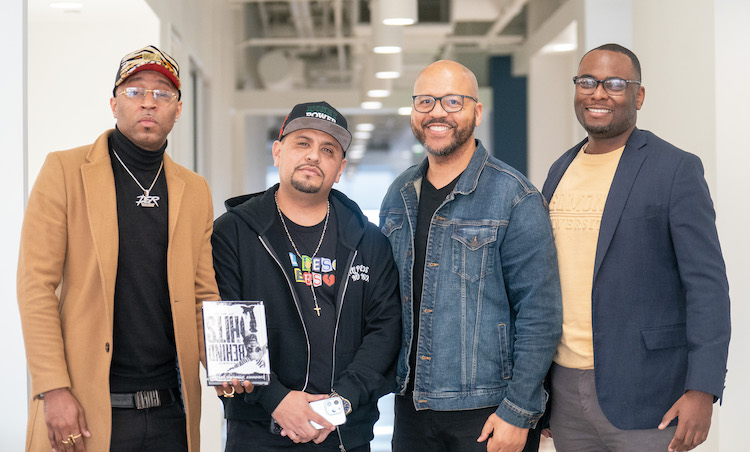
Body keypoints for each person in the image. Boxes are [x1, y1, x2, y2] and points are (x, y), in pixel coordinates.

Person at [16, 45, 247, 452]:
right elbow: (36, 287)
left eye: (162, 94)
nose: (148, 103)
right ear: (113, 103)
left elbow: (202, 295)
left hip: (169, 410)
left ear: (177, 110)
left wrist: (228, 364)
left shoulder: (193, 190)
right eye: (135, 91)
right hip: (89, 407)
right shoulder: (65, 172)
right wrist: (53, 389)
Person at [542, 43, 731, 452]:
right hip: (565, 391)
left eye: (614, 84)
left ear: (638, 95)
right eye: (587, 82)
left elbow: (707, 287)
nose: (598, 93)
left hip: (649, 391)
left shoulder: (675, 169)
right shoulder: (560, 170)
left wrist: (703, 388)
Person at [379, 60, 562, 452]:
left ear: (477, 112)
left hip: (487, 412)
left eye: (452, 101)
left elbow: (540, 314)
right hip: (412, 408)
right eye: (425, 101)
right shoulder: (399, 194)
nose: (437, 112)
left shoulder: (515, 197)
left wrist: (518, 410)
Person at [211, 101, 401, 451]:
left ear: (340, 168)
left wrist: (338, 403)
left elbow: (385, 331)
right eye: (303, 143)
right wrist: (278, 401)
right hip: (259, 431)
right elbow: (228, 332)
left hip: (343, 431)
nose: (314, 155)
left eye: (328, 149)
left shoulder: (369, 242)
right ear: (278, 152)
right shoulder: (232, 234)